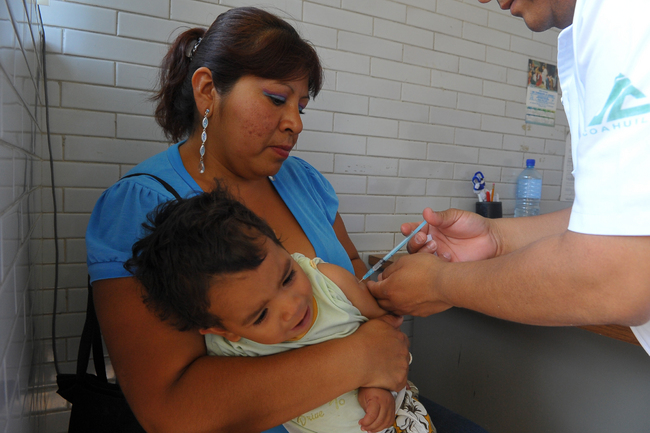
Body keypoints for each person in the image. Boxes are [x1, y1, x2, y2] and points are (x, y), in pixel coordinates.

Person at [85, 6, 487, 433]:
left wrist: (410, 278)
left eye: (302, 107)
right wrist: (360, 358)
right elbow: (171, 409)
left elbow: (354, 280)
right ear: (207, 90)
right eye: (276, 99)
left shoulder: (304, 182)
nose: (295, 123)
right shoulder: (140, 206)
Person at [367, 0, 650, 357]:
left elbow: (615, 274)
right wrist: (497, 238)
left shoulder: (625, 16)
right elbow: (624, 220)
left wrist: (438, 284)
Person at [124, 185, 434, 433]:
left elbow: (386, 328)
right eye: (261, 314)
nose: (292, 306)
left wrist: (376, 385)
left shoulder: (329, 283)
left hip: (400, 421)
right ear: (223, 330)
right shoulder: (229, 351)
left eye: (287, 277)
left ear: (283, 248)